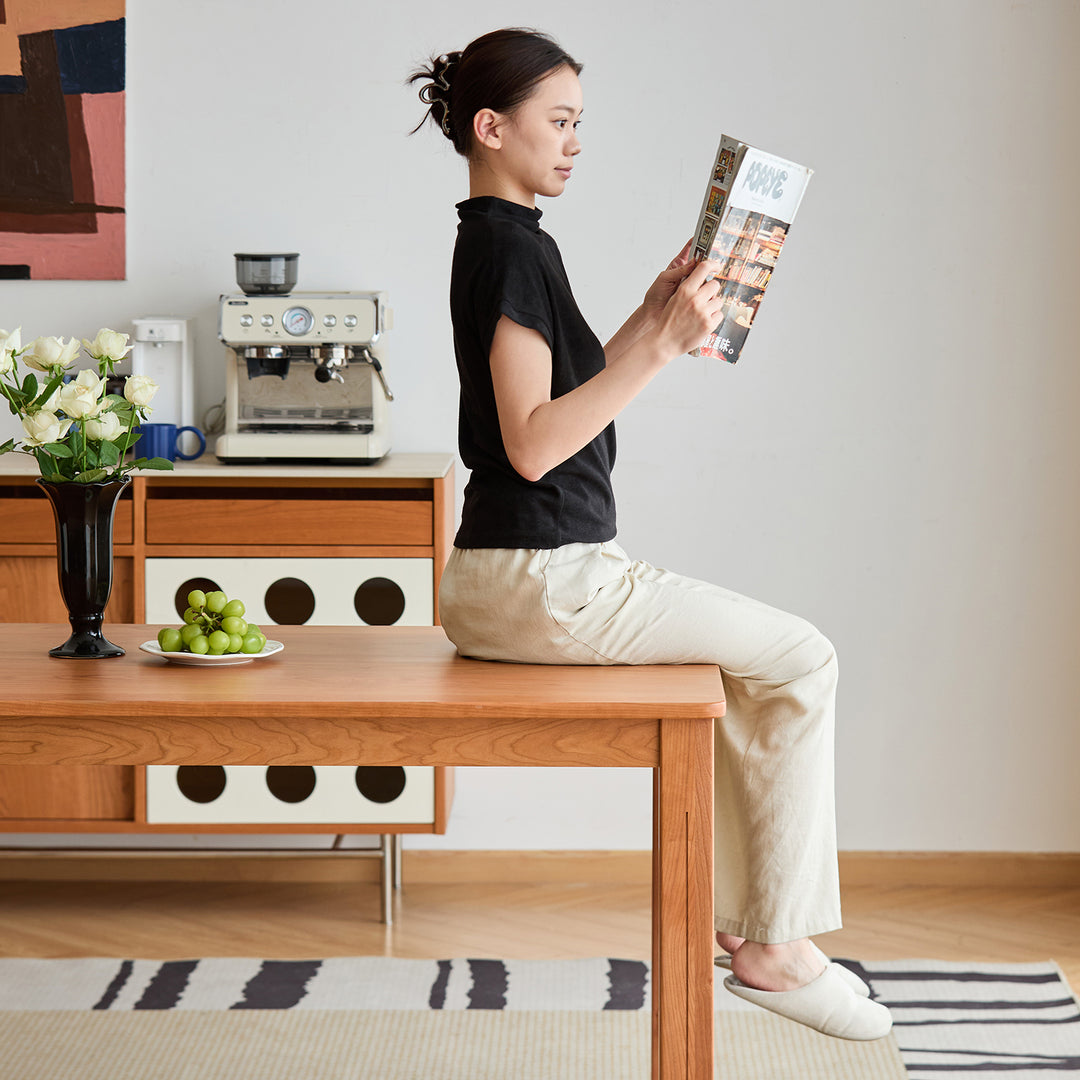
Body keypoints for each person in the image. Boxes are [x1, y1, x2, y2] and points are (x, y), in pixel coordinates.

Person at [409, 27, 891, 1042]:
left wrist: (648, 314)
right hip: (545, 576)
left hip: (526, 570)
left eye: (582, 122)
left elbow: (558, 400)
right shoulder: (505, 246)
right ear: (493, 128)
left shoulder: (508, 237)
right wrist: (663, 351)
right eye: (562, 121)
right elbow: (533, 445)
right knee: (804, 658)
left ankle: (762, 933)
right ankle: (773, 947)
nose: (578, 142)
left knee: (756, 675)